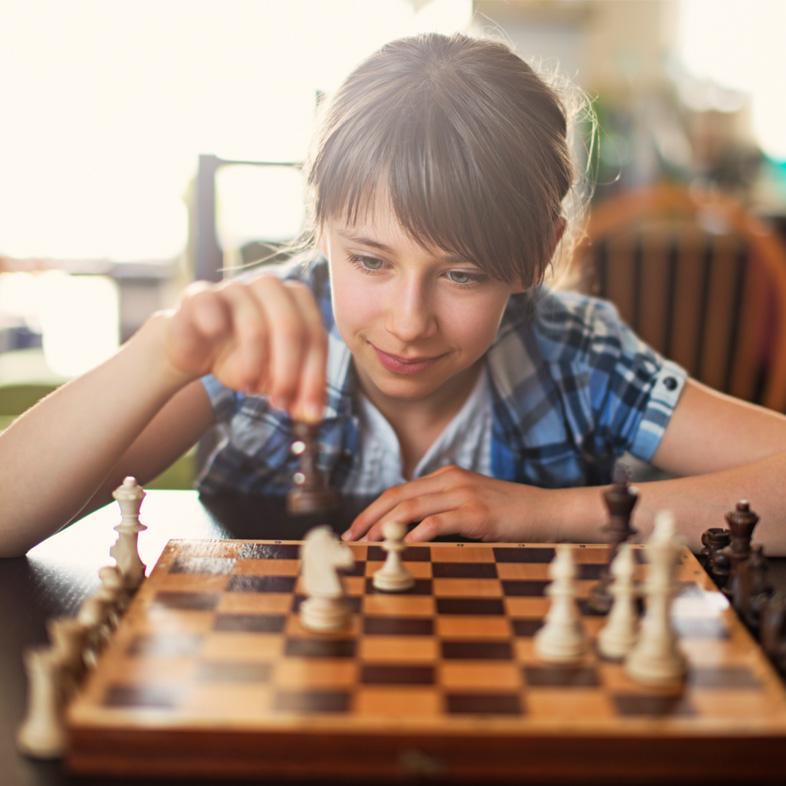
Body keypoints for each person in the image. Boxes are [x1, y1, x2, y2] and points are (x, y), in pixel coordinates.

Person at [2, 32, 786, 558]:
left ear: (540, 253)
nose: (409, 323)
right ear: (322, 222)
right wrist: (162, 351)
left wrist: (541, 514)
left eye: (463, 274)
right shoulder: (253, 339)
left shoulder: (578, 355)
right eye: (371, 260)